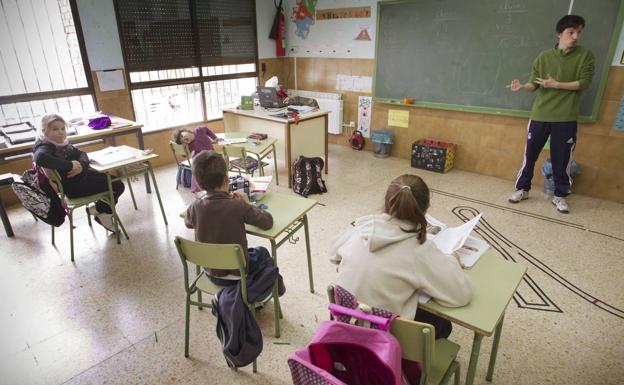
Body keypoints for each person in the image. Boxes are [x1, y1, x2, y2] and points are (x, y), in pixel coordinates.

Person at [330, 174, 474, 339]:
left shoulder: (361, 229)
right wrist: (452, 260)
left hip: (342, 333)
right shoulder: (419, 250)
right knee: (443, 324)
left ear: (386, 202)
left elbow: (332, 253)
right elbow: (461, 295)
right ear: (425, 210)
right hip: (384, 345)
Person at [507, 14, 595, 214]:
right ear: (559, 34)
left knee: (561, 160)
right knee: (529, 156)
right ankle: (523, 189)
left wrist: (557, 85)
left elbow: (584, 83)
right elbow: (534, 84)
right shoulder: (544, 57)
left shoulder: (585, 55)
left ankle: (560, 195)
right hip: (539, 115)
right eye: (571, 32)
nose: (575, 37)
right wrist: (522, 87)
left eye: (578, 32)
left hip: (565, 118)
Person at [184, 150, 274, 285]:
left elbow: (188, 223)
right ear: (226, 179)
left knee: (242, 253)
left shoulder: (195, 207)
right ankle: (256, 292)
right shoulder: (238, 205)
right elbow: (267, 222)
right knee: (262, 253)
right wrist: (247, 204)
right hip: (238, 273)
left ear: (200, 185)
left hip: (210, 272)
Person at [33, 114, 125, 232]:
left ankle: (97, 209)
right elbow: (40, 157)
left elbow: (82, 154)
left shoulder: (63, 144)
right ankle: (102, 212)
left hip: (81, 179)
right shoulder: (45, 146)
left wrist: (81, 166)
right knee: (117, 185)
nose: (60, 132)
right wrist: (70, 165)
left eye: (62, 128)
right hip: (74, 188)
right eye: (55, 129)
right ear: (43, 131)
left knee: (113, 180)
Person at [172, 126, 218, 193]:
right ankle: (202, 187)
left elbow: (207, 130)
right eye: (182, 140)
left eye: (182, 135)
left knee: (216, 163)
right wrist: (184, 146)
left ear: (186, 131)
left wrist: (214, 137)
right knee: (200, 167)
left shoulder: (198, 130)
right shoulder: (190, 145)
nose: (184, 138)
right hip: (201, 160)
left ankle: (214, 183)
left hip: (211, 155)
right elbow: (185, 154)